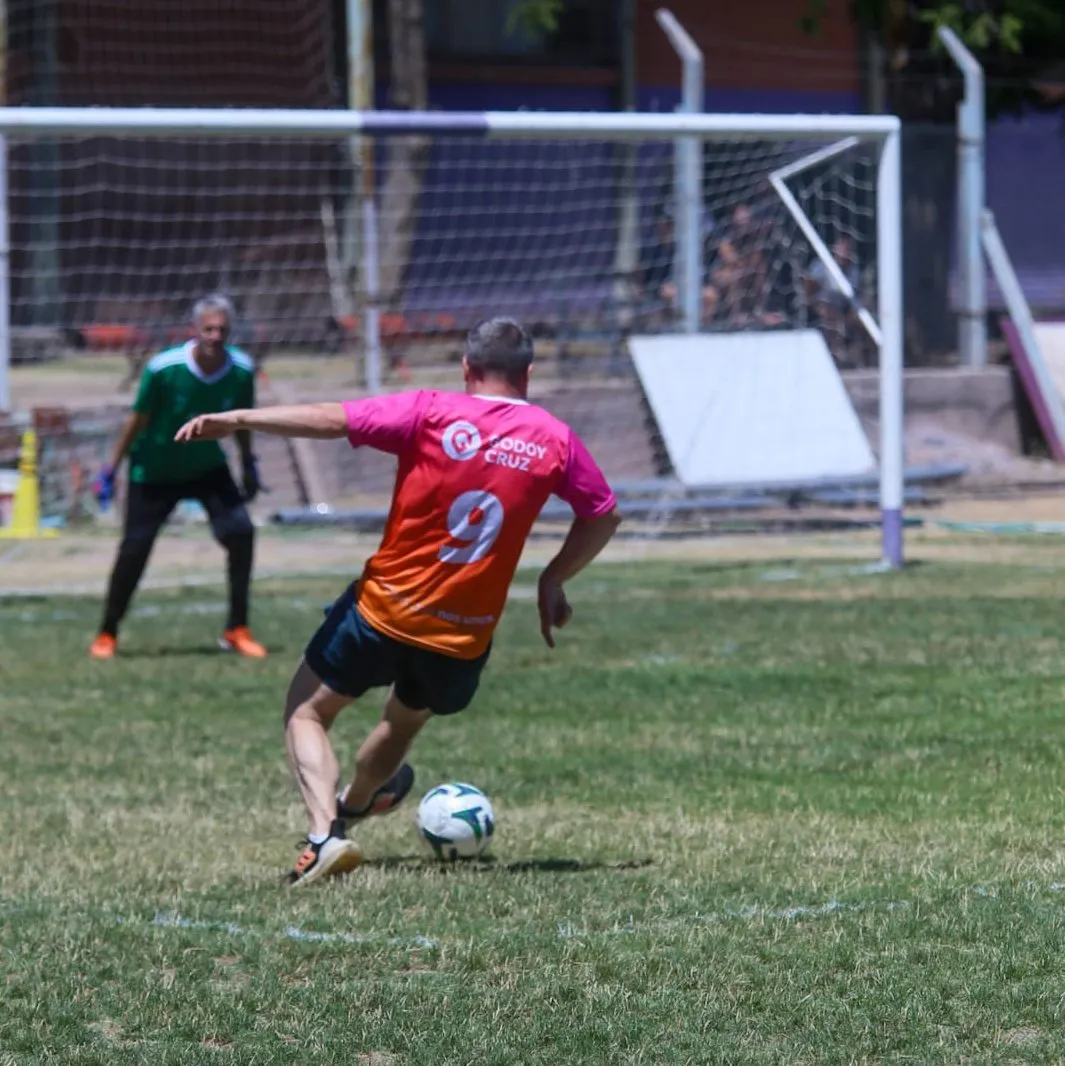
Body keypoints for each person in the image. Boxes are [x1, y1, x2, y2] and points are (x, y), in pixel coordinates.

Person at [175, 317, 622, 886]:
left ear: (467, 369)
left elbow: (330, 418)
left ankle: (324, 835)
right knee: (403, 720)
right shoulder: (554, 439)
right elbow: (602, 515)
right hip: (463, 639)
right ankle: (360, 798)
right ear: (528, 375)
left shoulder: (431, 410)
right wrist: (553, 578)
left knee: (307, 710)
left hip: (384, 613)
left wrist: (238, 418)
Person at [88, 294, 266, 660]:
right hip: (154, 471)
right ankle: (107, 632)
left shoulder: (242, 369)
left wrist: (248, 463)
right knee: (134, 550)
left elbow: (243, 420)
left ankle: (238, 628)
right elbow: (136, 420)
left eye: (223, 329)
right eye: (209, 328)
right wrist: (111, 470)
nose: (216, 335)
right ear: (194, 330)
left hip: (206, 468)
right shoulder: (163, 369)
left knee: (241, 534)